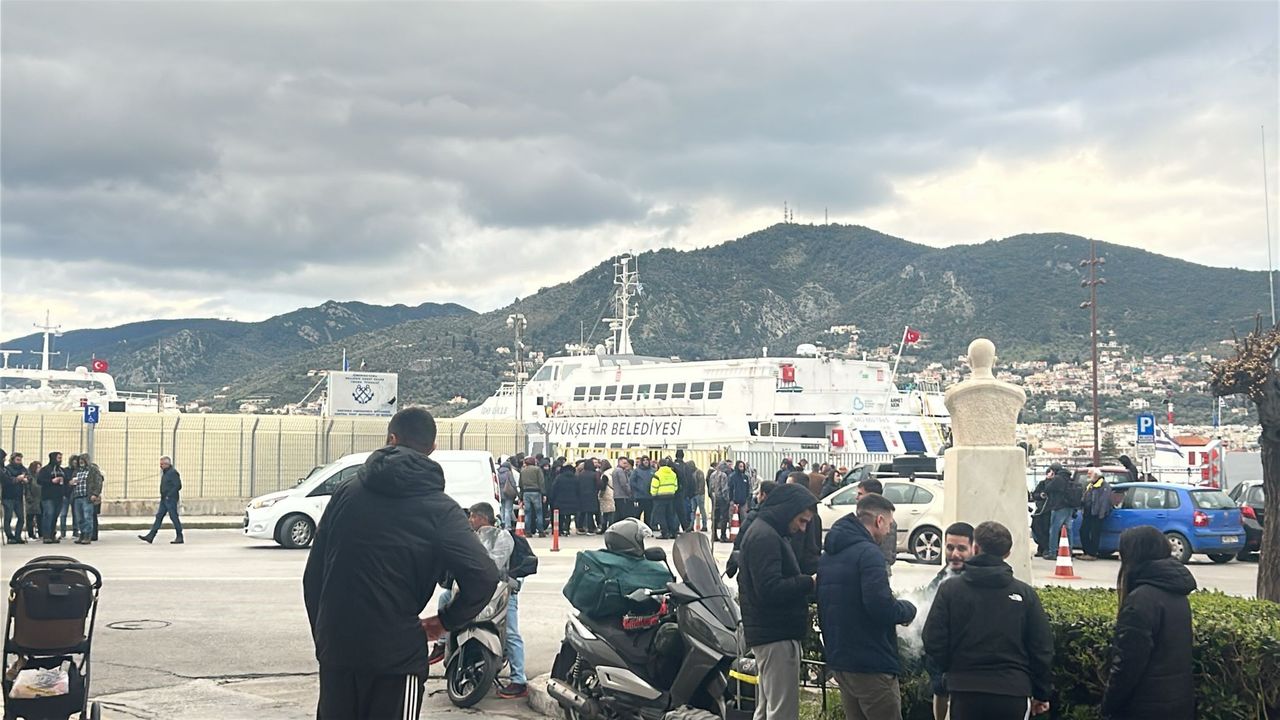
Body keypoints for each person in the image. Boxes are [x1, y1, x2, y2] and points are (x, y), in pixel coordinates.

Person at [304, 407, 500, 720]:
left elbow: (313, 577)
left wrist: (327, 636)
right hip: (396, 657)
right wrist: (444, 622)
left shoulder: (345, 493)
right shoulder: (441, 510)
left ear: (391, 439)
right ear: (432, 448)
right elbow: (484, 575)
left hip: (338, 651)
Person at [923, 521, 1053, 720]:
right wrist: (1041, 692)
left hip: (964, 692)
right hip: (1013, 692)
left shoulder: (949, 590)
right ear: (1007, 553)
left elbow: (933, 639)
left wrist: (952, 671)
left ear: (975, 548)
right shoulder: (1024, 593)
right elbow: (1041, 648)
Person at [818, 492, 916, 720]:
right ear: (879, 521)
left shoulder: (830, 554)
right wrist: (907, 610)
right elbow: (880, 606)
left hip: (841, 659)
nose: (889, 531)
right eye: (889, 524)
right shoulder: (869, 553)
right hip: (871, 662)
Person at [737, 483, 819, 720]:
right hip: (776, 634)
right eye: (802, 521)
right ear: (788, 511)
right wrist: (809, 582)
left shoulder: (765, 532)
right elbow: (769, 589)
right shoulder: (766, 537)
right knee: (782, 711)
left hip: (769, 633)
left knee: (767, 709)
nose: (803, 529)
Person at [1100, 525, 1196, 719]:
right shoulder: (1176, 593)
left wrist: (1108, 706)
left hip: (1144, 706)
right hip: (1179, 702)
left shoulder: (1140, 601)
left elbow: (1128, 664)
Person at [924, 522, 975, 720]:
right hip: (943, 662)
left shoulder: (978, 579)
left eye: (961, 548)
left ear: (973, 548)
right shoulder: (941, 578)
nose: (955, 554)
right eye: (950, 547)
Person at [138, 456, 185, 544]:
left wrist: (169, 495)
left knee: (174, 517)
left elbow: (178, 485)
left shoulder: (173, 473)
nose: (160, 466)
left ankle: (180, 536)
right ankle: (151, 536)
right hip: (164, 499)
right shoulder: (166, 473)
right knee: (159, 516)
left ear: (167, 464)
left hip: (170, 499)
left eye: (162, 464)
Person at [857, 479, 898, 573]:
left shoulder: (885, 522)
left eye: (860, 494)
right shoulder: (859, 519)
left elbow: (887, 555)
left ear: (871, 496)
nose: (856, 497)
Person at [786, 472, 822, 574]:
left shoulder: (810, 516)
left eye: (789, 485)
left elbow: (813, 547)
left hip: (802, 569)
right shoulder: (789, 510)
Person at [1043, 463, 1076, 560]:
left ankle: (1052, 552)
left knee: (1054, 530)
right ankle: (1069, 552)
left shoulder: (1057, 479)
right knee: (1068, 530)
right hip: (1069, 507)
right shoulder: (1069, 477)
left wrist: (1049, 479)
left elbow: (1047, 488)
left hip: (1059, 507)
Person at [1080, 468, 1114, 560]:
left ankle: (1092, 553)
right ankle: (1086, 552)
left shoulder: (1104, 486)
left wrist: (1101, 514)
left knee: (1095, 534)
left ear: (1096, 475)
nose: (1088, 475)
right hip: (1087, 513)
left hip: (1096, 514)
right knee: (1083, 531)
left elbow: (1104, 501)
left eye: (1089, 473)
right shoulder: (1090, 485)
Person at [69, 453, 102, 545]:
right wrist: (71, 483)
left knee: (87, 517)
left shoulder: (93, 470)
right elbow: (72, 482)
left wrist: (95, 494)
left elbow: (98, 482)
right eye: (80, 460)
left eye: (83, 460)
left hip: (87, 497)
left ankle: (88, 535)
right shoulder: (77, 471)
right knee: (79, 518)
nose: (81, 461)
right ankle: (82, 534)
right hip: (77, 497)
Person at [37, 452, 66, 544]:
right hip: (48, 496)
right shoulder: (45, 470)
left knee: (55, 516)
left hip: (59, 496)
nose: (60, 460)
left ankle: (52, 535)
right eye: (58, 458)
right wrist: (51, 481)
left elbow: (66, 480)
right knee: (48, 515)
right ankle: (46, 536)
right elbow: (39, 481)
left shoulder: (62, 470)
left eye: (61, 458)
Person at [650, 458, 680, 539]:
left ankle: (665, 533)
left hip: (660, 498)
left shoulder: (657, 474)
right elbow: (676, 486)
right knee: (670, 515)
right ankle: (673, 533)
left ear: (659, 464)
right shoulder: (673, 474)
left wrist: (653, 494)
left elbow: (654, 486)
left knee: (661, 516)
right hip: (670, 496)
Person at [3, 450, 28, 544]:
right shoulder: (7, 469)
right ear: (12, 460)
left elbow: (28, 476)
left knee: (21, 518)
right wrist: (17, 479)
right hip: (8, 496)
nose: (19, 462)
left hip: (19, 496)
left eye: (20, 460)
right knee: (8, 517)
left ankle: (18, 536)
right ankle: (10, 536)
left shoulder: (23, 469)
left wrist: (26, 480)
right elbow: (7, 480)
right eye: (17, 460)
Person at [518, 456, 546, 538]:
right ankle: (541, 531)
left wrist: (521, 496)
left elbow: (520, 484)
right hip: (536, 492)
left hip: (526, 493)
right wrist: (543, 493)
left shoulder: (523, 470)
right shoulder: (537, 469)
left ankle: (528, 532)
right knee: (539, 512)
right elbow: (541, 482)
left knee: (527, 513)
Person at [550, 461, 579, 535]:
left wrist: (552, 499)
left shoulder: (559, 478)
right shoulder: (576, 478)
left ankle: (560, 530)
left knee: (561, 515)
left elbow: (554, 489)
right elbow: (578, 490)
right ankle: (567, 529)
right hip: (572, 500)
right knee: (568, 515)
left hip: (560, 500)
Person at [1030, 469, 1052, 557]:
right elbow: (1035, 495)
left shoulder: (1055, 484)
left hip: (1049, 510)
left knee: (1046, 530)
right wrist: (1040, 495)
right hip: (1040, 510)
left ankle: (1045, 548)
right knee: (1036, 527)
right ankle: (1041, 547)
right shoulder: (1042, 484)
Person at [575, 460, 601, 535]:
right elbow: (599, 484)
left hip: (581, 495)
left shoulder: (580, 475)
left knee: (582, 512)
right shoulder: (594, 474)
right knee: (590, 513)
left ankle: (580, 528)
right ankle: (590, 529)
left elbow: (577, 485)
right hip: (592, 495)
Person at [709, 461, 732, 542]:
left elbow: (710, 488)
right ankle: (723, 536)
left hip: (715, 498)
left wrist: (712, 497)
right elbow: (724, 489)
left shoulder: (712, 474)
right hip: (722, 499)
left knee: (715, 517)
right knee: (724, 518)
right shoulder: (723, 475)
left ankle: (714, 535)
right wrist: (727, 499)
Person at [631, 456, 655, 528]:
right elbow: (632, 481)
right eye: (644, 460)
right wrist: (639, 488)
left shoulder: (653, 470)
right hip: (640, 496)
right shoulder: (636, 471)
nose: (646, 461)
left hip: (650, 496)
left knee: (648, 514)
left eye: (647, 460)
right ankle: (636, 527)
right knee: (637, 514)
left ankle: (647, 528)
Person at [673, 449, 693, 532]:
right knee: (683, 511)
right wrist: (690, 493)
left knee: (674, 511)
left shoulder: (673, 466)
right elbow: (691, 480)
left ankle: (675, 528)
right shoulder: (686, 467)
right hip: (684, 492)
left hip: (674, 492)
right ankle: (686, 527)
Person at [497, 455, 519, 529]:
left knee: (502, 509)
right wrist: (517, 493)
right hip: (508, 493)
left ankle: (502, 524)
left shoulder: (498, 472)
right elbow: (513, 483)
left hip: (501, 493)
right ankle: (508, 525)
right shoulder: (509, 473)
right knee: (508, 510)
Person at [611, 457, 635, 521]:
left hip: (617, 495)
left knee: (617, 513)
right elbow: (624, 484)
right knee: (623, 514)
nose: (626, 465)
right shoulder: (620, 471)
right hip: (623, 496)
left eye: (626, 463)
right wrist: (629, 492)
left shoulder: (615, 470)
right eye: (624, 463)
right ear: (619, 462)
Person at [24, 459, 43, 541]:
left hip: (39, 499)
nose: (39, 469)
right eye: (38, 467)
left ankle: (41, 533)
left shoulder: (40, 477)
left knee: (40, 518)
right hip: (32, 499)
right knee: (30, 517)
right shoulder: (30, 477)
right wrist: (29, 497)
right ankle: (31, 534)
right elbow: (27, 488)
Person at [688, 461, 707, 531]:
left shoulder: (699, 472)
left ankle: (704, 525)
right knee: (693, 511)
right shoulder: (693, 473)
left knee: (701, 510)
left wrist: (698, 492)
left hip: (699, 495)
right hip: (694, 494)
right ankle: (691, 525)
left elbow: (701, 484)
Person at [598, 459, 617, 528]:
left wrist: (600, 495)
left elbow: (603, 486)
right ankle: (611, 526)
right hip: (613, 492)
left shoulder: (605, 474)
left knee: (605, 512)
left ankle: (604, 526)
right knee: (612, 511)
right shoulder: (613, 472)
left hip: (606, 494)